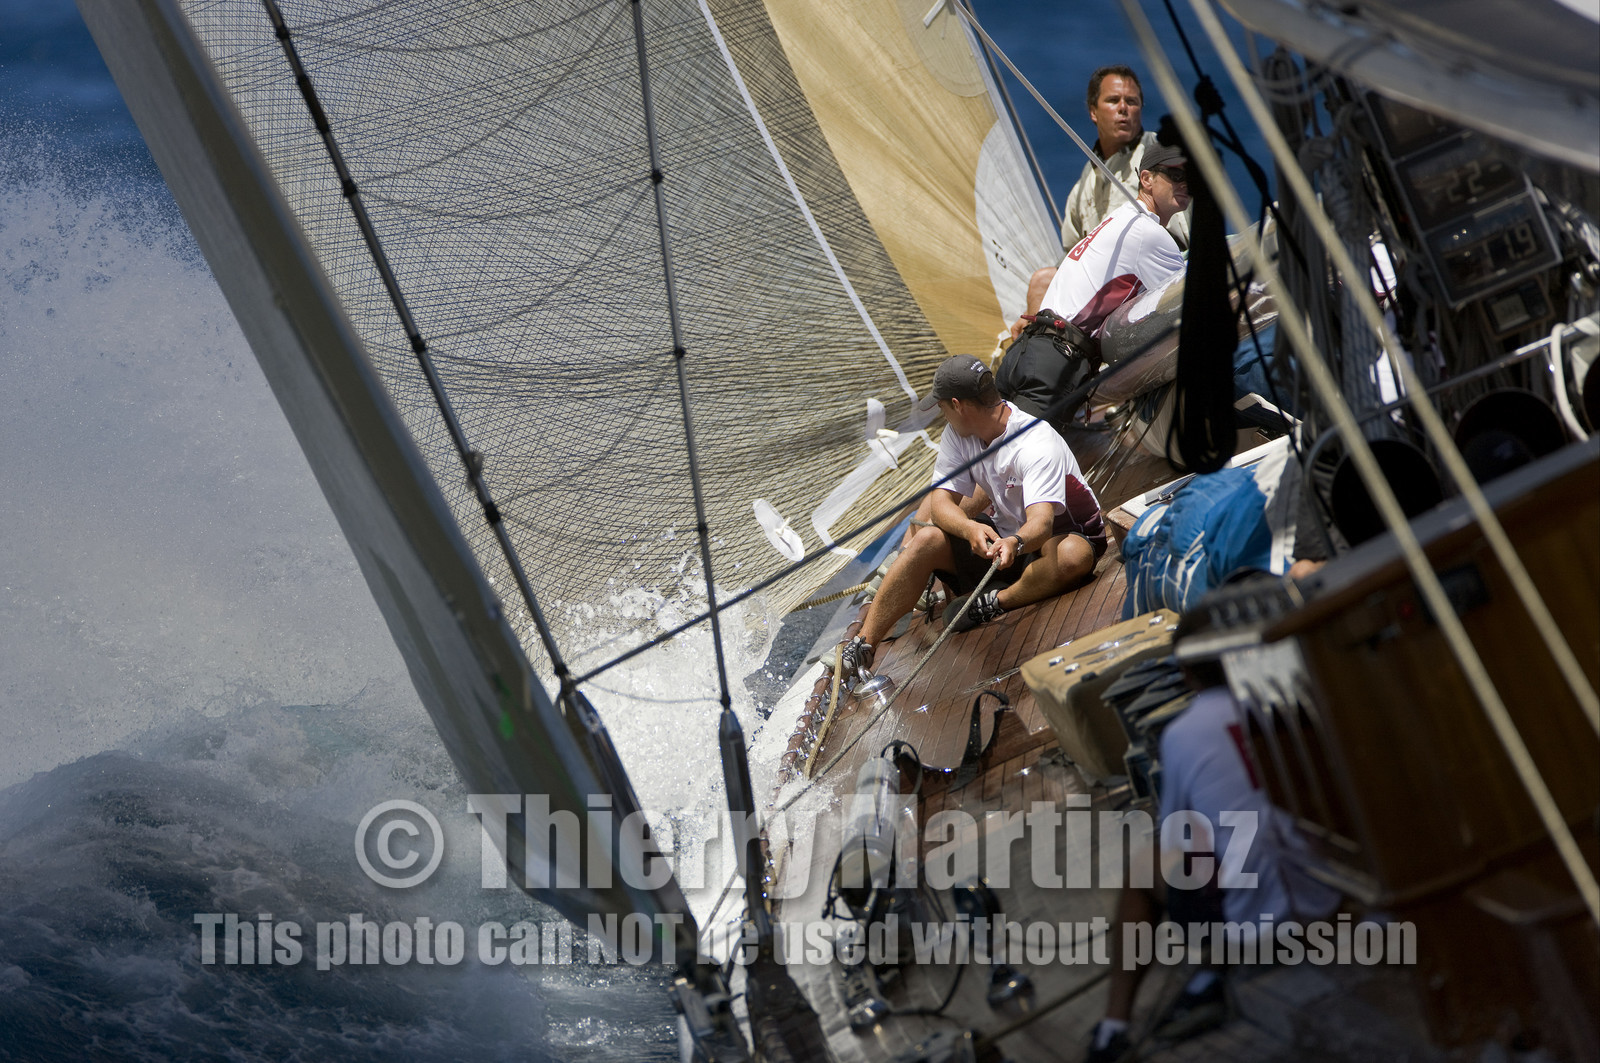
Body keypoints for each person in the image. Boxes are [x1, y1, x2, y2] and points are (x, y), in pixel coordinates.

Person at [1082, 608, 1339, 1063]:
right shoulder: (1291, 697)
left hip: (1261, 923)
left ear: (1184, 672)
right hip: (1333, 896)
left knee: (1148, 866)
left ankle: (1115, 1025)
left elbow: (1177, 839)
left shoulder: (1182, 734)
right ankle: (1209, 972)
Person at [837, 356, 1105, 681]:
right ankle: (863, 646)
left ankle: (995, 601)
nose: (942, 416)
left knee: (1071, 557)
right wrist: (970, 528)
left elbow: (1041, 523)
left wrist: (1015, 542)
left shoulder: (1035, 443)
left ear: (957, 404)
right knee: (927, 540)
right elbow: (940, 503)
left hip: (1058, 538)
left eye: (942, 408)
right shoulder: (958, 434)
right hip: (1005, 542)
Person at [999, 142, 1191, 424]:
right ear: (1146, 179)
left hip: (1026, 354)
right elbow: (1190, 306)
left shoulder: (1118, 218)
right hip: (1055, 364)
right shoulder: (1148, 233)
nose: (1186, 184)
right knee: (1025, 464)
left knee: (987, 462)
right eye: (1176, 176)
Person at [1060, 65, 1190, 253]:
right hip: (1102, 279)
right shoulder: (1081, 190)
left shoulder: (1164, 160)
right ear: (1093, 112)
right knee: (1043, 279)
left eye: (1131, 101)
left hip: (1158, 274)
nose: (1123, 108)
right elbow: (1072, 255)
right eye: (1113, 100)